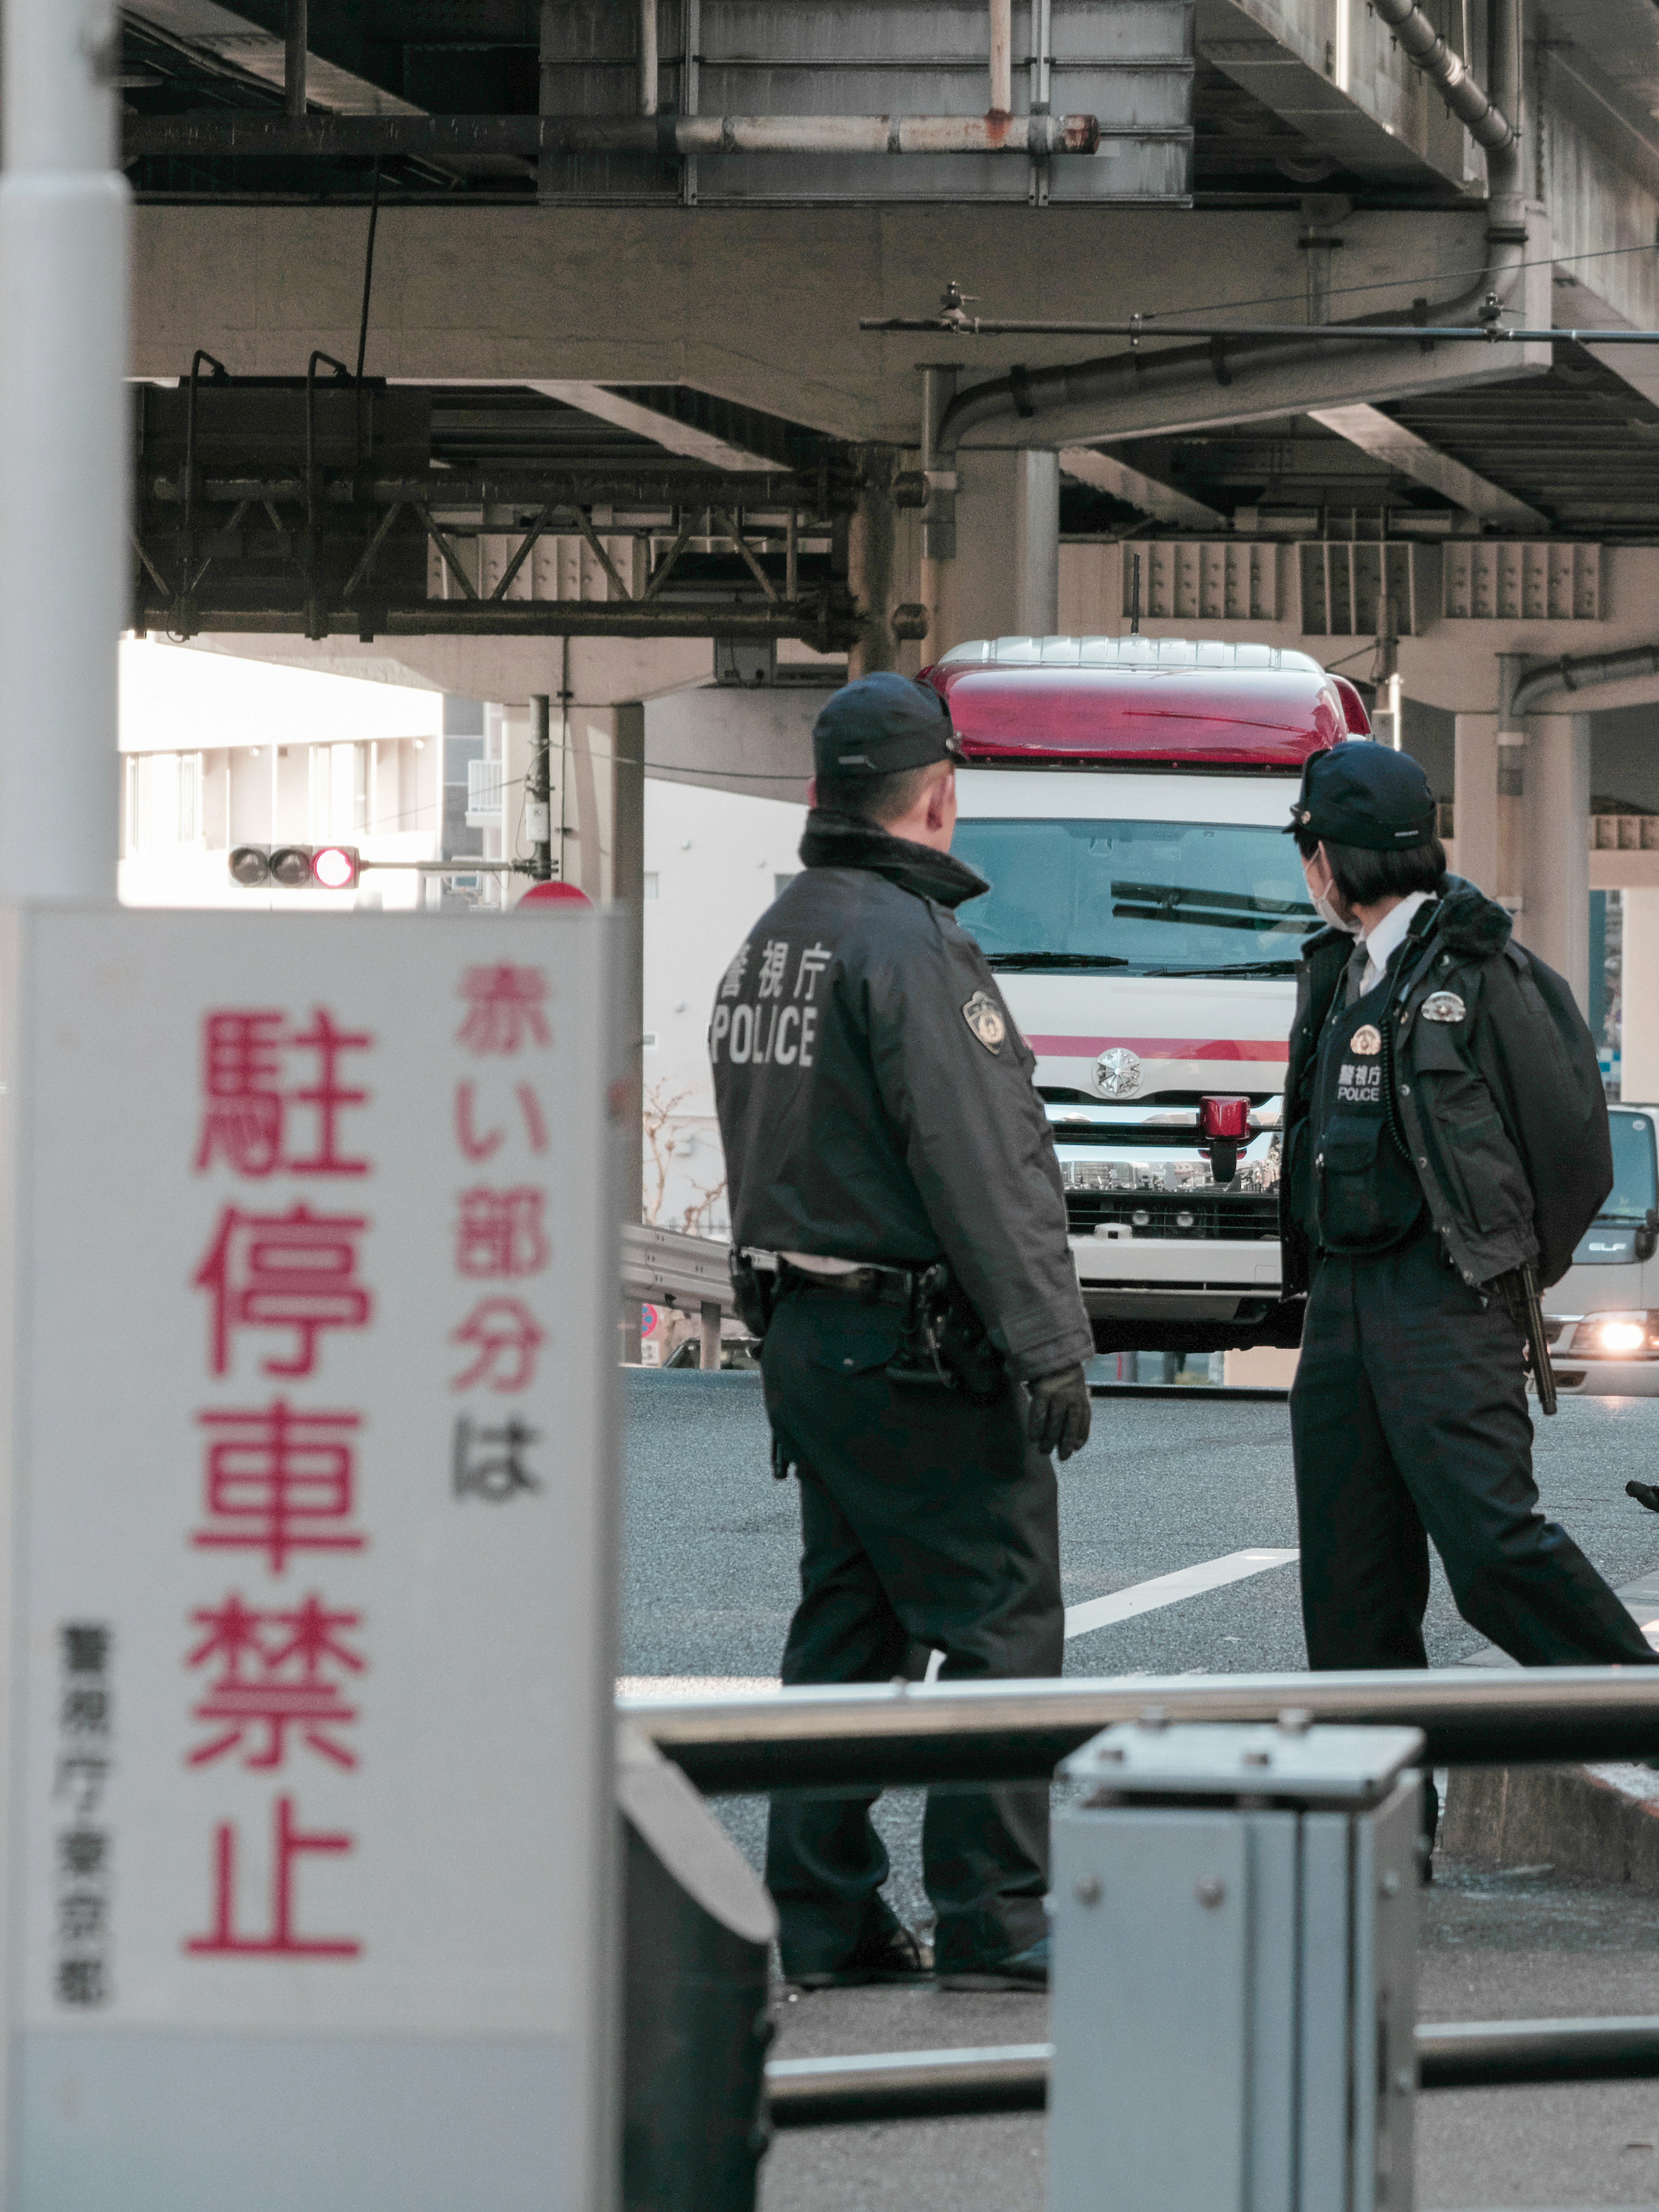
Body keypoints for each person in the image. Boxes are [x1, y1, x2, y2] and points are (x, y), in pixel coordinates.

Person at [710, 670, 1094, 1992]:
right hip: (918, 1344)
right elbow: (983, 1163)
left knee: (850, 1624)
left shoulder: (772, 940)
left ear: (820, 794)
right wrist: (1049, 1342)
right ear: (940, 795)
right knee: (999, 1616)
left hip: (808, 1335)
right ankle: (997, 1914)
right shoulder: (912, 949)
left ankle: (821, 1916)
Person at [1280, 742, 1657, 1721]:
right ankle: (1380, 1821)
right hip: (1343, 1306)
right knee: (1350, 1582)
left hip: (1446, 1299)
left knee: (1493, 1550)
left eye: (1309, 848)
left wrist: (1506, 1270)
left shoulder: (1487, 972)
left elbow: (1575, 1156)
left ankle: (1642, 1712)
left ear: (1331, 858)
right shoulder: (1334, 972)